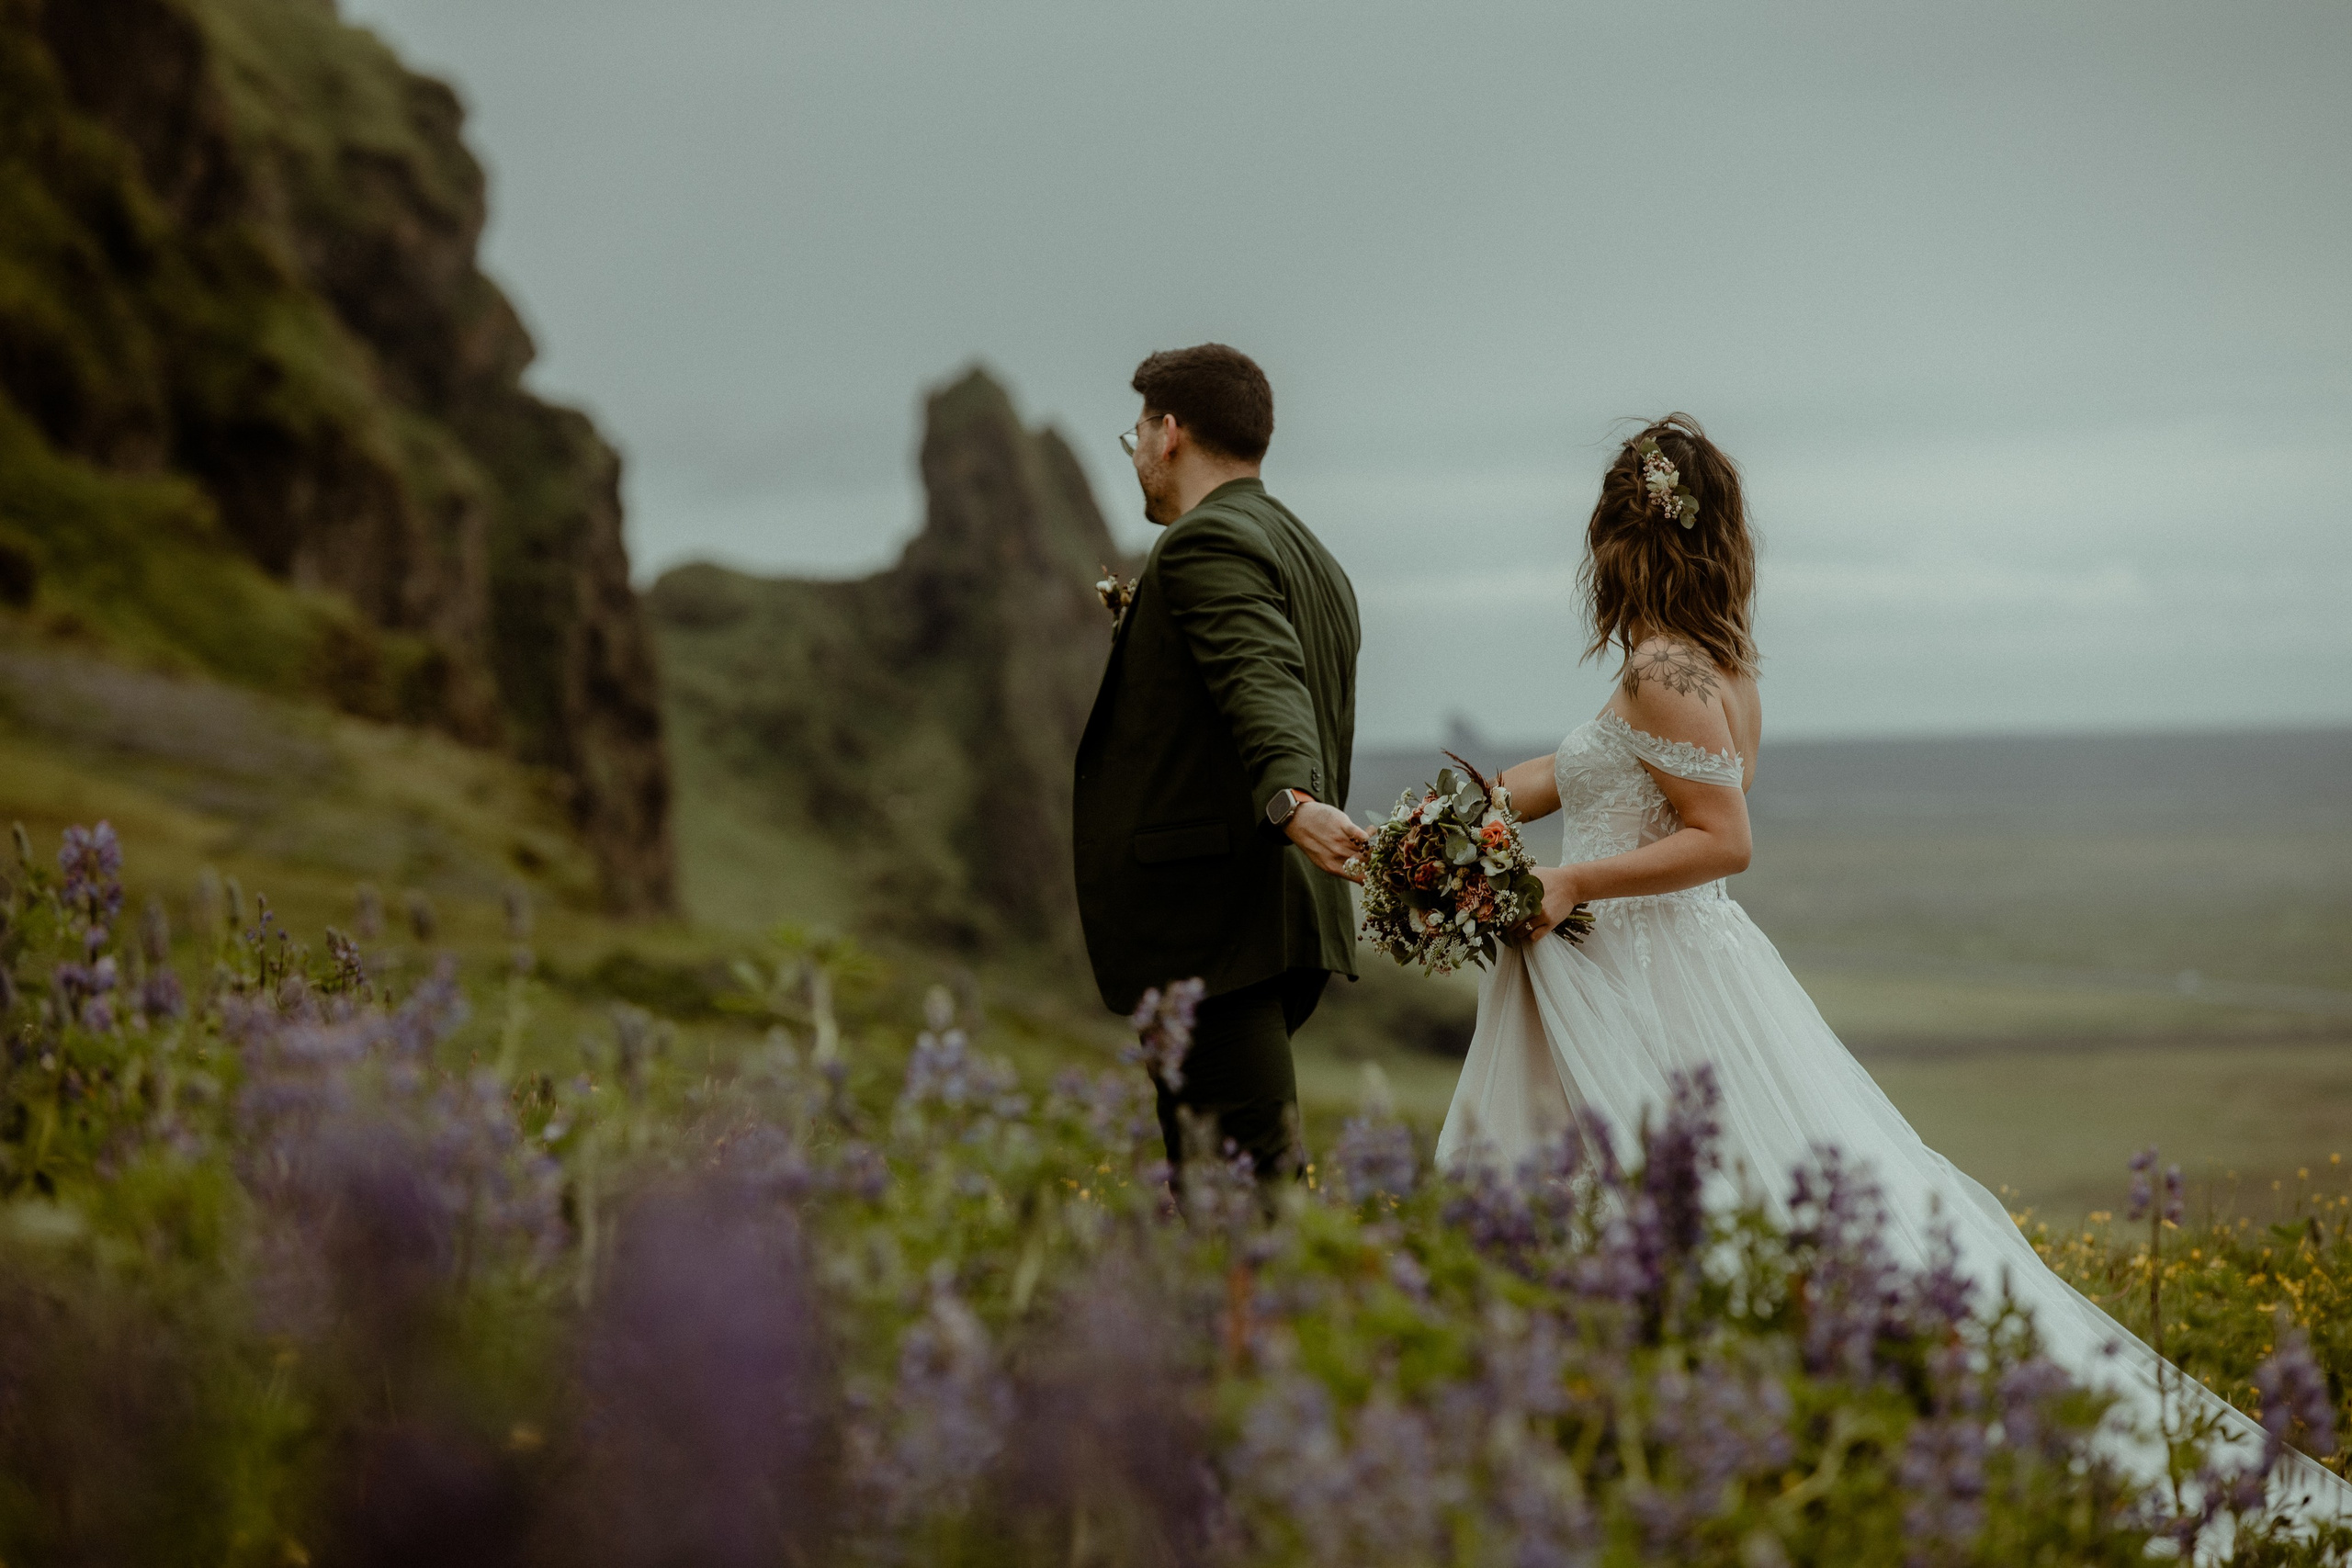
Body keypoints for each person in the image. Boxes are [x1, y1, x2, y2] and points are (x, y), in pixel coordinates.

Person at [1440, 412, 2349, 1519]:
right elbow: (1595, 774)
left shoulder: (1663, 665)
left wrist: (1572, 884)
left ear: (1617, 535)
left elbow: (1722, 838)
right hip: (1669, 960)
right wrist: (1450, 823)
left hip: (1645, 969)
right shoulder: (1710, 661)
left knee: (1678, 1195)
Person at [1072, 344, 1367, 1179]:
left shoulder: (1207, 543)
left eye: (1133, 433)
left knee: (1250, 1213)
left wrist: (1289, 798)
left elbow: (1259, 675)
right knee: (1221, 1203)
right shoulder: (1314, 556)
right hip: (1274, 922)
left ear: (1168, 433)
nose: (1132, 454)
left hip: (1213, 931)